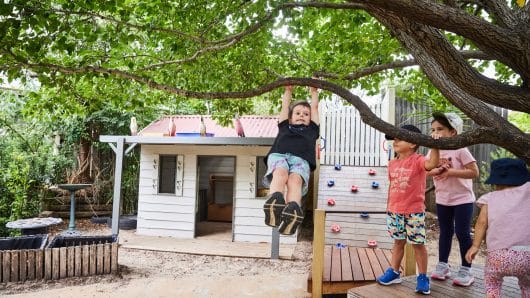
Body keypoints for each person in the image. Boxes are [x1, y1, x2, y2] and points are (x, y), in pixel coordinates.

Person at [376, 124, 440, 295]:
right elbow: (392, 188)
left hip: (414, 211)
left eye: (399, 138)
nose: (395, 141)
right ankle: (394, 272)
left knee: (418, 244)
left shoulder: (418, 160)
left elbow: (433, 163)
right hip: (395, 211)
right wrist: (389, 208)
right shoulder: (392, 164)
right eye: (394, 138)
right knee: (398, 242)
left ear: (413, 143)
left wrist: (435, 145)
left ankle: (423, 277)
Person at [426, 112, 480, 286]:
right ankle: (443, 265)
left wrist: (450, 172)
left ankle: (466, 269)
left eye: (440, 129)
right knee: (445, 231)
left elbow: (474, 172)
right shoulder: (433, 150)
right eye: (433, 129)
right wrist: (436, 171)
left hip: (463, 199)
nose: (435, 132)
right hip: (443, 199)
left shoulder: (460, 149)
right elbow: (427, 169)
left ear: (453, 132)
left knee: (462, 232)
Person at [465, 158, 530, 298]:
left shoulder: (489, 198)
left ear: (495, 182)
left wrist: (475, 246)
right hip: (526, 256)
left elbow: (482, 222)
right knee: (527, 284)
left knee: (492, 281)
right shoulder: (528, 191)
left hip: (497, 257)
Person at [262, 84, 319, 235]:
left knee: (296, 181)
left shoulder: (312, 130)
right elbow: (285, 106)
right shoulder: (284, 126)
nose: (302, 115)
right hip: (279, 155)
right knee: (281, 173)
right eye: (298, 113)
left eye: (306, 114)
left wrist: (314, 91)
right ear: (290, 117)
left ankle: (292, 210)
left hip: (301, 160)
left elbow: (314, 108)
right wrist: (288, 90)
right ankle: (275, 203)